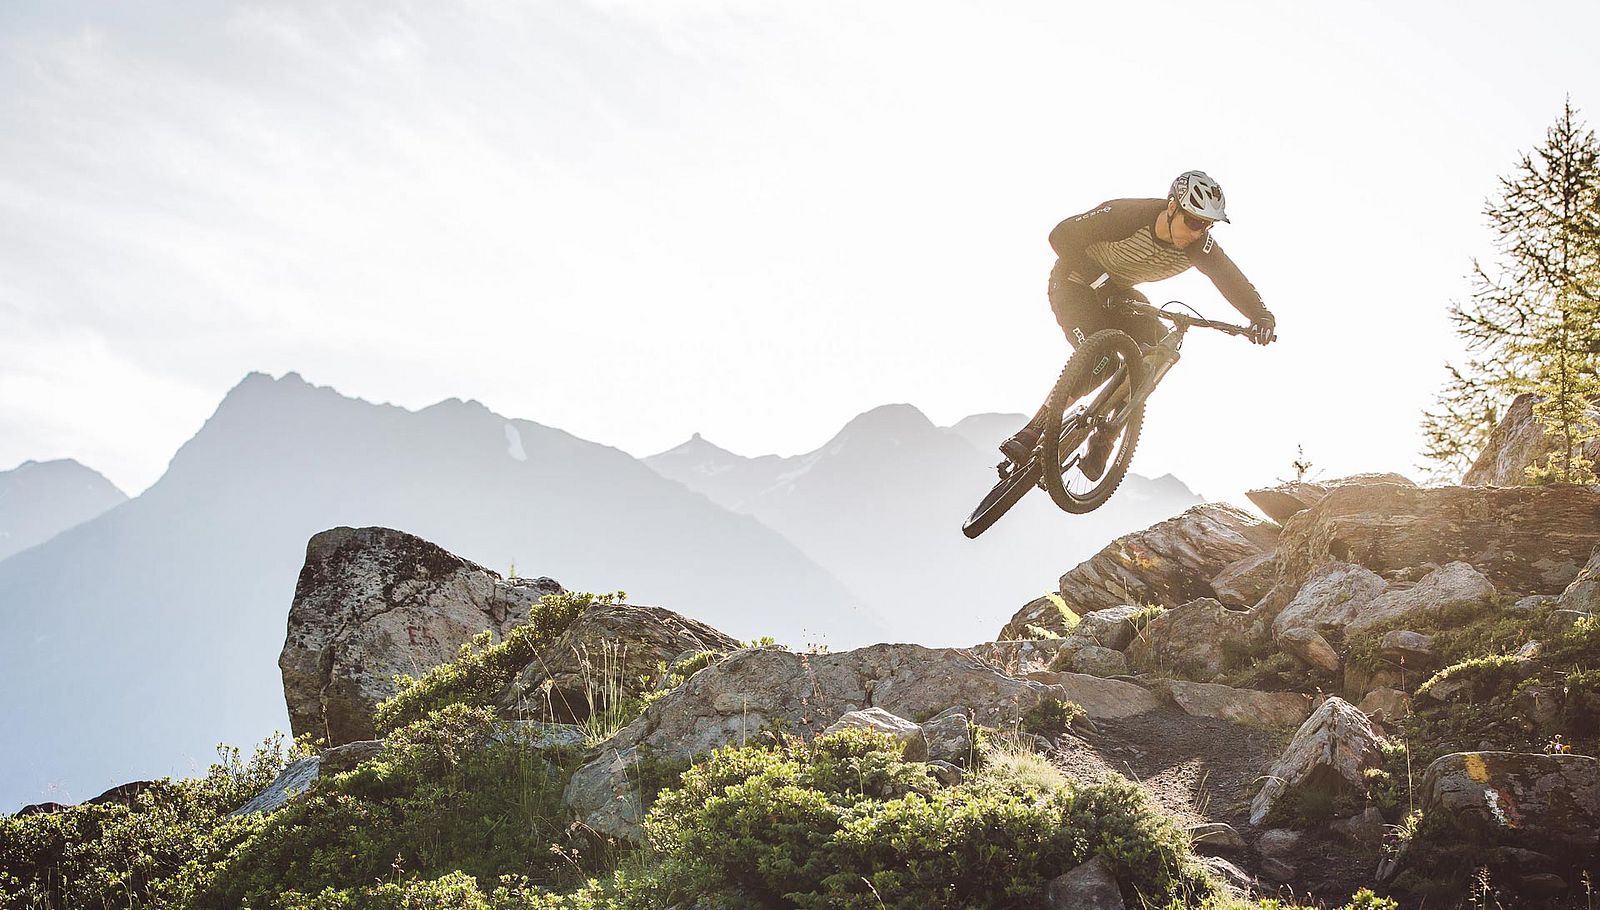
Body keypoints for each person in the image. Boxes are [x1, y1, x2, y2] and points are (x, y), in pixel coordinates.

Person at [1000, 170, 1277, 478]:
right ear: (1172, 207)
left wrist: (1260, 316)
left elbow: (1230, 279)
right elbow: (1060, 235)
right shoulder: (1128, 216)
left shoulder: (1198, 246)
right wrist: (1100, 281)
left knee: (1158, 352)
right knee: (1100, 360)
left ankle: (1105, 438)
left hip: (1118, 295)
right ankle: (1031, 432)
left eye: (1208, 225)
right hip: (1073, 284)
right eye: (1195, 222)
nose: (1200, 232)